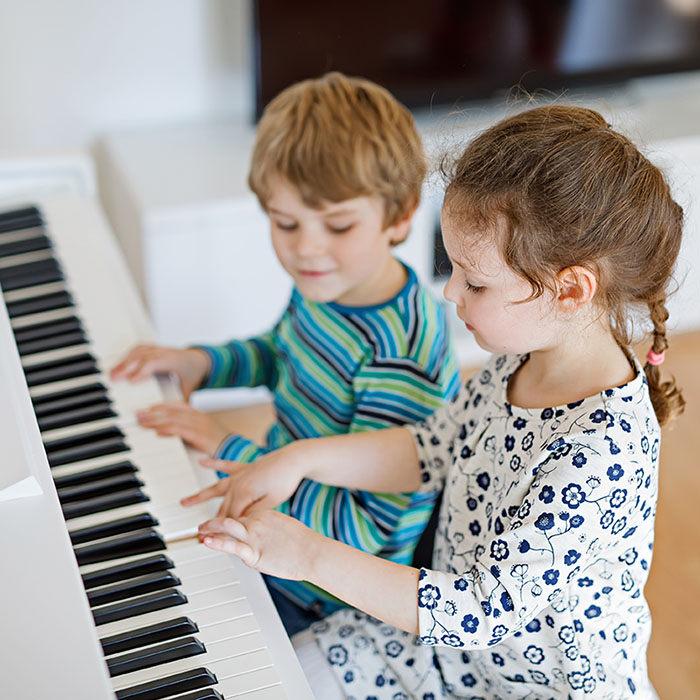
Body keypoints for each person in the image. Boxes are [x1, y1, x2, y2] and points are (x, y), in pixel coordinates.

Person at [183, 104, 686, 699]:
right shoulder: (520, 360)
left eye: (474, 282)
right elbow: (430, 445)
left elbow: (481, 609)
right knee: (267, 675)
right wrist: (301, 459)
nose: (450, 293)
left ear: (571, 289)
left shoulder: (601, 454)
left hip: (536, 685)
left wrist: (311, 556)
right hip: (446, 653)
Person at [110, 71, 461, 634]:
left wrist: (233, 451)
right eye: (285, 222)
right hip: (271, 498)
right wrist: (203, 364)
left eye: (338, 225)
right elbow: (282, 353)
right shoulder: (328, 285)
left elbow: (372, 530)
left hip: (321, 590)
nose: (306, 249)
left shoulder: (402, 355)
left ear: (400, 215)